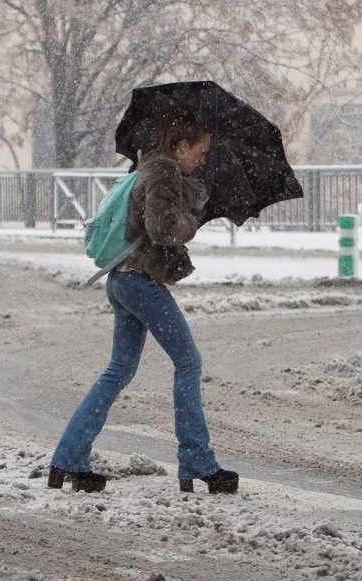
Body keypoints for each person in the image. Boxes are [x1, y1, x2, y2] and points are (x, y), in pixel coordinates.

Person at [48, 108, 238, 495]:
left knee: (118, 370)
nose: (201, 160)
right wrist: (191, 220)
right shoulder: (164, 171)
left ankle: (67, 459)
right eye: (199, 152)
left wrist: (190, 198)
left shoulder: (152, 168)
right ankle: (198, 462)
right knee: (187, 361)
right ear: (182, 146)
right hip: (140, 281)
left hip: (123, 278)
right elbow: (162, 228)